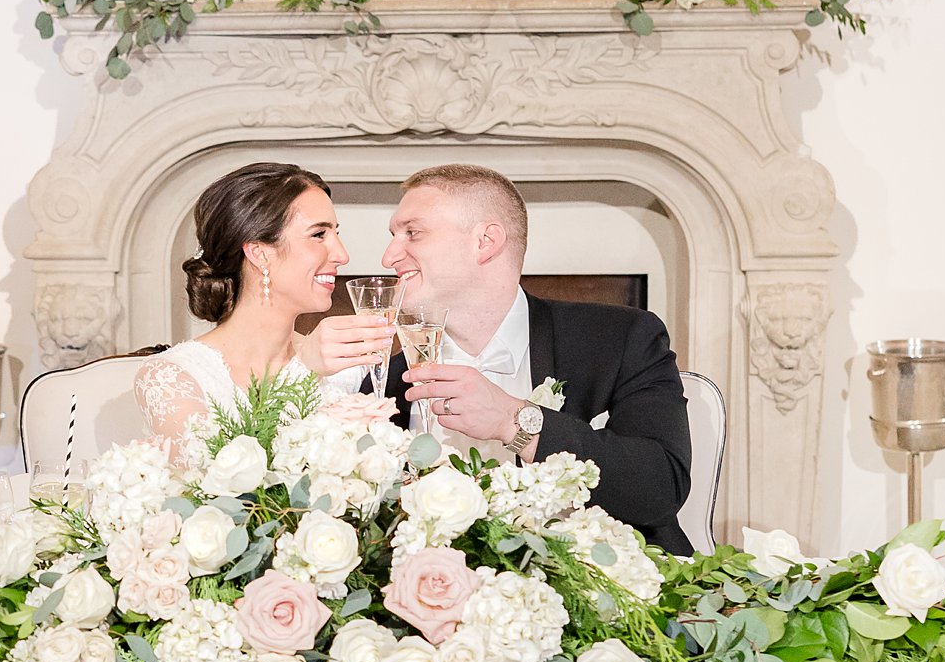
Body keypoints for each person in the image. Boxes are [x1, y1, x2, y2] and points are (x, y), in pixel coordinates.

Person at [381, 163, 694, 554]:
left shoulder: (619, 339)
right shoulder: (385, 380)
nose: (389, 256)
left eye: (413, 233)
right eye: (393, 236)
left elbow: (659, 487)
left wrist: (515, 422)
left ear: (486, 241)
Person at [137, 162, 390, 470]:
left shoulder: (346, 369)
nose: (342, 254)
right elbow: (213, 491)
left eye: (335, 233)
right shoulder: (172, 378)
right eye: (319, 234)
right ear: (259, 253)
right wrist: (303, 372)